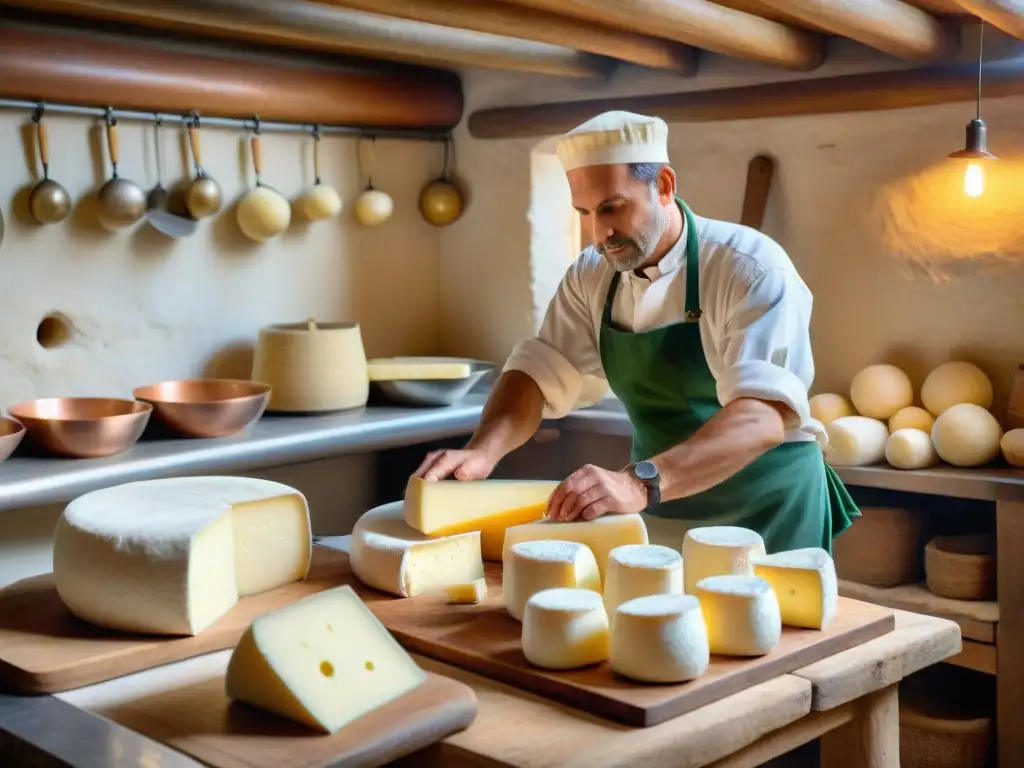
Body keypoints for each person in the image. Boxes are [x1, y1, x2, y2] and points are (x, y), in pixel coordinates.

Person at [413, 110, 858, 554]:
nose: (599, 234)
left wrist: (640, 482)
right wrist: (482, 451)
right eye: (584, 213)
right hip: (663, 507)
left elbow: (762, 416)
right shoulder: (592, 275)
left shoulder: (751, 268)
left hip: (769, 510)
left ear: (664, 186)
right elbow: (537, 371)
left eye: (612, 208)